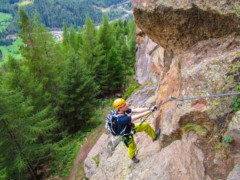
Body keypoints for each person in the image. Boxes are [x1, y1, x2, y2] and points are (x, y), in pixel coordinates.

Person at [112, 98, 161, 163]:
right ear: (119, 108)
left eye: (125, 104)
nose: (126, 105)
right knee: (132, 147)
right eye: (124, 105)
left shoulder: (122, 110)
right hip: (126, 135)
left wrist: (149, 108)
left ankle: (154, 137)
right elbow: (138, 116)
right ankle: (131, 156)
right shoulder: (121, 119)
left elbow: (136, 110)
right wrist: (150, 111)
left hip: (130, 128)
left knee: (145, 125)